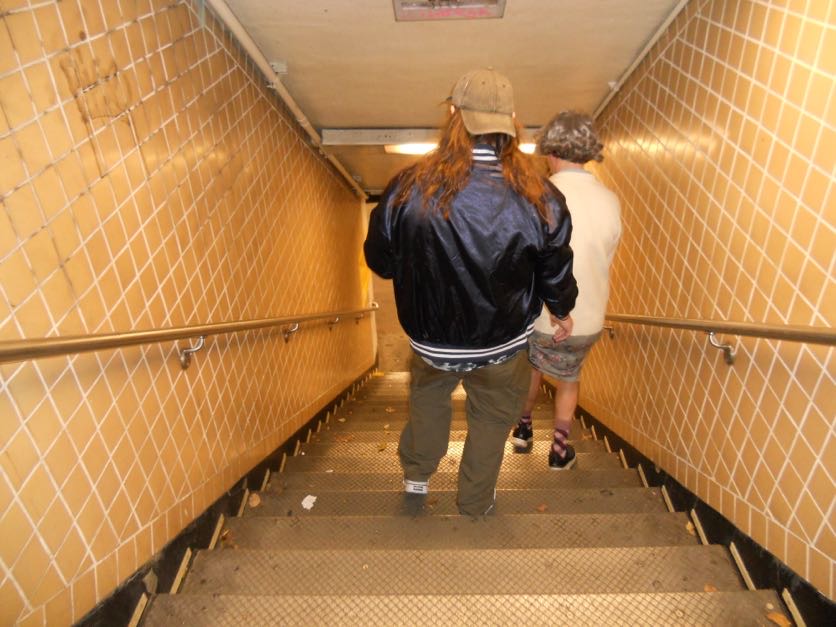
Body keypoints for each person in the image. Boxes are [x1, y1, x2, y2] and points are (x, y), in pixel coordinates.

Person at [364, 68, 578, 517]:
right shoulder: (541, 196)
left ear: (455, 115)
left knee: (428, 404)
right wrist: (562, 311)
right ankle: (476, 502)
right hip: (501, 345)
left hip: (431, 341)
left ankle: (418, 478)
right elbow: (555, 268)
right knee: (492, 419)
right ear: (512, 121)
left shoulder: (408, 187)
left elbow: (380, 261)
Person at [510, 111, 622, 470]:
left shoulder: (538, 196)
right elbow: (605, 255)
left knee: (532, 368)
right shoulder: (609, 200)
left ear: (551, 150)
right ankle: (559, 451)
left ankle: (523, 429)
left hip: (542, 314)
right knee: (569, 378)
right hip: (587, 318)